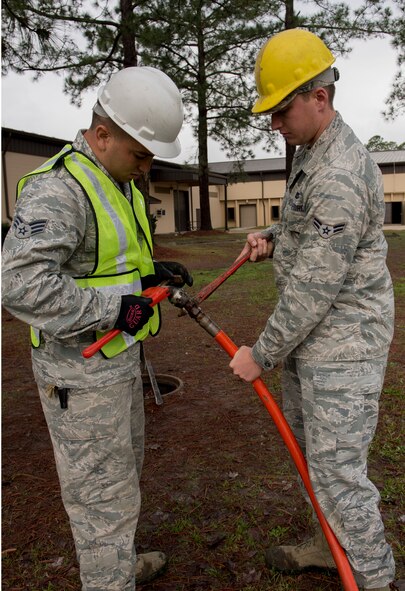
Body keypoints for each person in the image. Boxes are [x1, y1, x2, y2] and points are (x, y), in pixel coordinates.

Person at [2, 66, 193, 591]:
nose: (147, 165)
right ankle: (109, 579)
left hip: (118, 365)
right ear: (102, 134)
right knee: (100, 502)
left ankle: (118, 564)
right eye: (141, 153)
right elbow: (19, 287)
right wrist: (120, 305)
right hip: (79, 382)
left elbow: (109, 264)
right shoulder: (59, 190)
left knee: (120, 486)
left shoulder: (118, 179)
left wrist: (149, 276)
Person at [229, 29, 395, 591]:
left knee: (340, 477)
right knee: (315, 462)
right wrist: (275, 236)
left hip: (342, 350)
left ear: (318, 97)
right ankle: (332, 549)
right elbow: (310, 230)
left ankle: (373, 577)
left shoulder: (339, 172)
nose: (274, 123)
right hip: (316, 344)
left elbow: (314, 289)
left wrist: (261, 354)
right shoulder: (311, 152)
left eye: (281, 110)